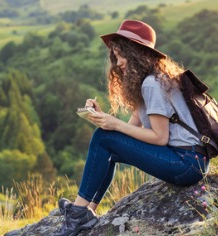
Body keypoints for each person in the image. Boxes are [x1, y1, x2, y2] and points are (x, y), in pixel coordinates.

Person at [54, 20, 209, 236]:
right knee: (107, 142)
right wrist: (104, 118)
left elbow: (159, 138)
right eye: (115, 57)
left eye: (121, 55)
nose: (117, 63)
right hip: (186, 160)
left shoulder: (152, 85)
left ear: (136, 53)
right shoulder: (150, 81)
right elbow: (125, 136)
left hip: (185, 164)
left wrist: (113, 125)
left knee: (103, 138)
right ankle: (87, 210)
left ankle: (79, 212)